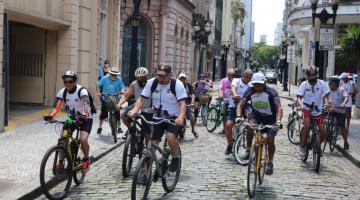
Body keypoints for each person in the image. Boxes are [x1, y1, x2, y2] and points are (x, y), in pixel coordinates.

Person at [128, 64, 187, 173]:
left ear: (170, 74)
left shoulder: (177, 84)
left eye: (164, 76)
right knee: (152, 147)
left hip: (173, 117)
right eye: (159, 75)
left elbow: (182, 103)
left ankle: (176, 156)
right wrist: (135, 110)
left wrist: (180, 117)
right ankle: (146, 173)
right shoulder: (152, 82)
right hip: (157, 117)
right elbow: (141, 99)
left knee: (170, 137)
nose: (161, 78)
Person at [44, 71, 93, 173]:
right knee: (63, 138)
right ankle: (61, 162)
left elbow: (86, 106)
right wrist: (51, 115)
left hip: (86, 118)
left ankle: (86, 160)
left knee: (83, 139)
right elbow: (56, 106)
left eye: (70, 82)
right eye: (65, 82)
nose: (68, 84)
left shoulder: (82, 91)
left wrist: (83, 115)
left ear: (75, 81)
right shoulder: (63, 92)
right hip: (72, 118)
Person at [236, 72, 283, 175]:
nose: (257, 87)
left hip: (271, 119)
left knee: (270, 139)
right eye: (255, 84)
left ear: (264, 83)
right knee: (250, 126)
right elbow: (241, 104)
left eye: (260, 84)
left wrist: (278, 121)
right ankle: (248, 150)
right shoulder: (250, 91)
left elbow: (279, 107)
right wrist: (239, 117)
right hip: (256, 115)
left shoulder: (271, 91)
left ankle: (270, 162)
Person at [297, 65, 332, 157]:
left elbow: (328, 95)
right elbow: (299, 97)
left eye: (313, 79)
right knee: (307, 126)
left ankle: (317, 145)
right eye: (310, 79)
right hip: (307, 109)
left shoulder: (322, 83)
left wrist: (330, 102)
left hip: (318, 110)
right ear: (307, 76)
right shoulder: (304, 84)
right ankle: (302, 146)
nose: (311, 81)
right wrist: (301, 105)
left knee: (324, 133)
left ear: (317, 75)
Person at [116, 67, 152, 143]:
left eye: (142, 77)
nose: (140, 79)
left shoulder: (151, 84)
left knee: (147, 133)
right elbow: (126, 95)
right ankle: (131, 130)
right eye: (138, 78)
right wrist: (119, 103)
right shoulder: (134, 84)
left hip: (148, 108)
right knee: (123, 116)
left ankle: (148, 151)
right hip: (136, 106)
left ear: (146, 77)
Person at [223, 69, 253, 155]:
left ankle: (248, 147)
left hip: (246, 106)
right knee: (228, 125)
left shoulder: (251, 85)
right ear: (243, 75)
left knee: (250, 124)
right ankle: (229, 145)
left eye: (249, 77)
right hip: (234, 105)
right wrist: (235, 95)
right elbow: (233, 88)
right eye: (246, 76)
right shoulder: (236, 81)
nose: (247, 79)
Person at [96, 67, 125, 135]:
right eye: (112, 74)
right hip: (105, 97)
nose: (114, 76)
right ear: (110, 73)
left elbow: (122, 87)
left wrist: (122, 91)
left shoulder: (119, 79)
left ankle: (119, 127)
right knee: (103, 113)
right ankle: (100, 127)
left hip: (115, 97)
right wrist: (98, 92)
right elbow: (98, 84)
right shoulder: (105, 78)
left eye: (115, 75)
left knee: (117, 111)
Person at [328, 76, 350, 150]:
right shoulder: (329, 90)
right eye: (329, 84)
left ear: (336, 84)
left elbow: (346, 97)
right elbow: (324, 96)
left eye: (331, 84)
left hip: (340, 111)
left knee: (342, 127)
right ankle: (327, 133)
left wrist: (344, 103)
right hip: (332, 109)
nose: (330, 85)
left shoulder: (342, 89)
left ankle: (345, 142)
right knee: (324, 120)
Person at [178, 72, 198, 138]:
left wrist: (192, 102)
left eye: (183, 79)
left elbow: (192, 94)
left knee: (192, 117)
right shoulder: (176, 85)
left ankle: (193, 130)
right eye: (181, 79)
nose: (182, 80)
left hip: (187, 103)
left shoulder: (188, 85)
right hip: (179, 104)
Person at [219, 69, 236, 136]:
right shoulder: (223, 80)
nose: (231, 77)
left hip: (233, 100)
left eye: (233, 75)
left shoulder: (235, 81)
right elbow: (220, 88)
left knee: (233, 116)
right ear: (227, 75)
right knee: (224, 115)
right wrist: (221, 95)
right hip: (225, 100)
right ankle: (224, 128)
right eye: (230, 75)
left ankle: (231, 128)